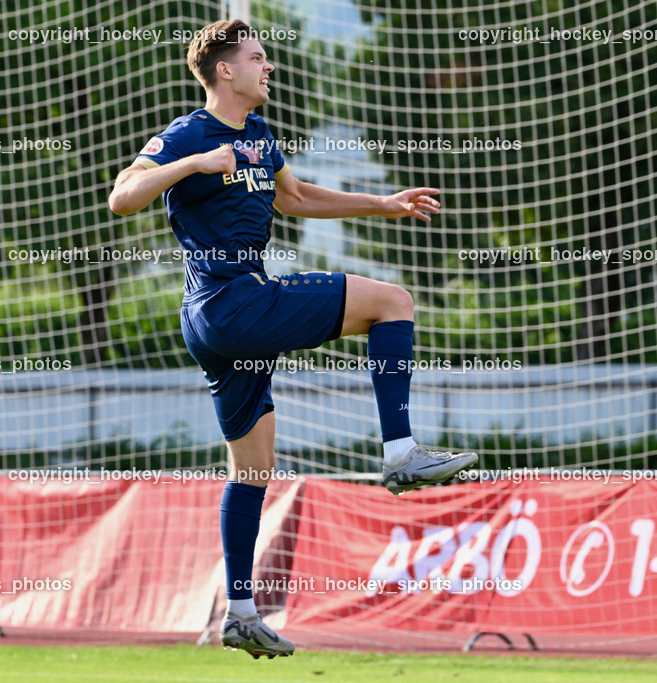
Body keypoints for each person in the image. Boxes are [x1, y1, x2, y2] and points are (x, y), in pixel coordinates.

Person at [109, 18, 478, 659]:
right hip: (232, 301)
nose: (267, 67)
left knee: (253, 470)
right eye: (257, 58)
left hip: (218, 324)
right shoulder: (188, 134)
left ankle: (241, 612)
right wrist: (193, 162)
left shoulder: (259, 134)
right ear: (226, 71)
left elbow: (298, 196)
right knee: (393, 302)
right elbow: (122, 197)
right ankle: (401, 452)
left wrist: (383, 203)